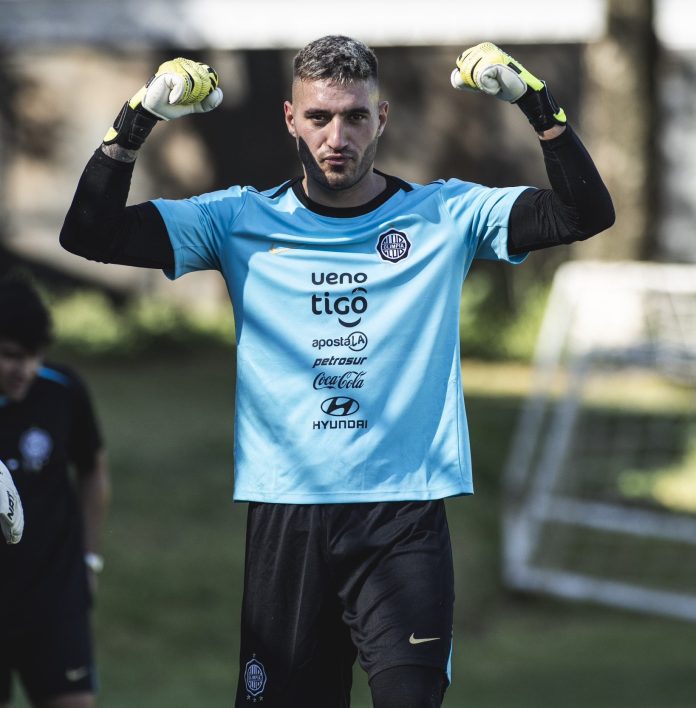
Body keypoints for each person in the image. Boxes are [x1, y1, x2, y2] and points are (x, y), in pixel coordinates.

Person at [59, 37, 614, 707]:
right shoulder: (238, 219)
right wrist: (137, 121)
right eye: (320, 118)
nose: (337, 136)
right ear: (290, 118)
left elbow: (586, 213)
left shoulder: (445, 216)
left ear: (381, 118)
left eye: (354, 117)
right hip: (288, 516)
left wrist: (536, 102)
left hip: (401, 515)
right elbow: (89, 234)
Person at [0, 277, 110, 708]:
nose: (25, 370)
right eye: (10, 356)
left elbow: (93, 469)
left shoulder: (62, 391)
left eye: (35, 356)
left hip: (53, 595)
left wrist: (89, 559)